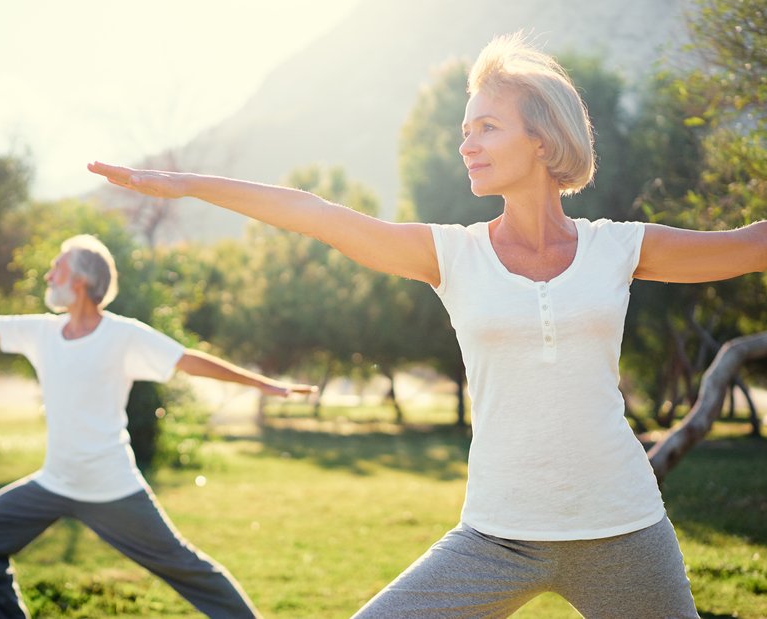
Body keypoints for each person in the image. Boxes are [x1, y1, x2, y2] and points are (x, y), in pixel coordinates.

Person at [88, 33, 766, 618]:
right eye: (463, 129)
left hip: (623, 527)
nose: (466, 144)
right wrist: (188, 183)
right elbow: (318, 214)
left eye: (486, 127)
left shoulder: (617, 246)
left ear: (542, 137)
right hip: (498, 535)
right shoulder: (453, 255)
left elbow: (750, 243)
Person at [0, 234, 315, 619]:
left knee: (186, 568)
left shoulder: (123, 335)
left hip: (111, 487)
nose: (48, 275)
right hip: (55, 481)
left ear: (80, 282)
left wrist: (265, 385)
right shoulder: (42, 331)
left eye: (56, 268)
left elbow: (188, 361)